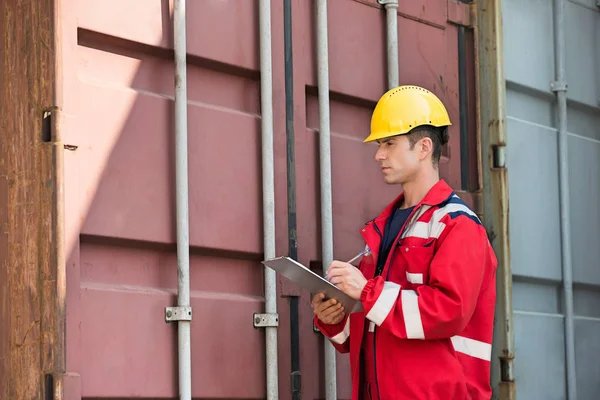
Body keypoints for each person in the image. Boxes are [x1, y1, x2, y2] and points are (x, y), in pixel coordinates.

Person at [312, 85, 497, 400]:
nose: (378, 154)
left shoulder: (458, 226)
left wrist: (366, 291)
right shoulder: (383, 229)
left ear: (424, 147)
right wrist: (336, 319)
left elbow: (447, 312)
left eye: (389, 143)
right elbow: (377, 323)